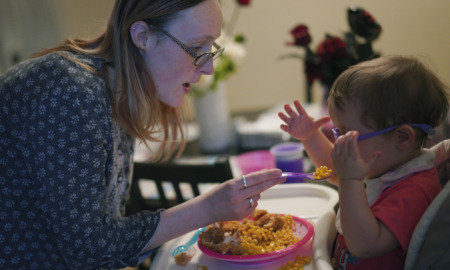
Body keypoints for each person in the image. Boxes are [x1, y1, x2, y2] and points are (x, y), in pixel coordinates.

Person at [0, 0, 285, 269]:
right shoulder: (70, 93)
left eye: (211, 47)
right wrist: (208, 209)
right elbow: (89, 251)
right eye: (197, 46)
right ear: (142, 36)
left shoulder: (114, 89)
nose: (209, 67)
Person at [278, 55, 449, 269]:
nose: (338, 141)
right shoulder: (383, 162)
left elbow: (365, 245)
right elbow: (335, 171)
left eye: (348, 133)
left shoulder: (414, 190)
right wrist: (310, 137)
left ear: (402, 137)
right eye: (338, 131)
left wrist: (350, 180)